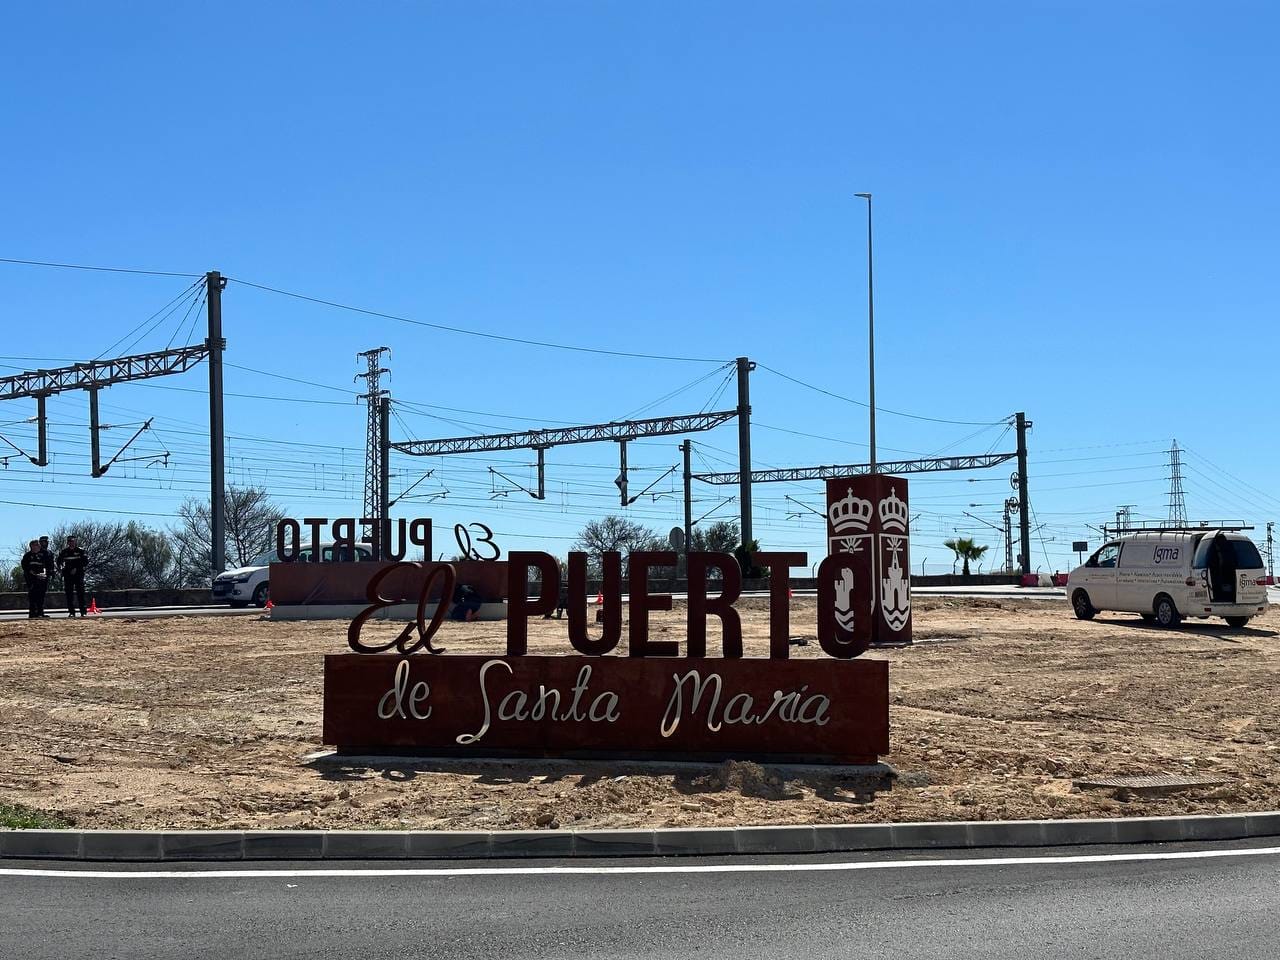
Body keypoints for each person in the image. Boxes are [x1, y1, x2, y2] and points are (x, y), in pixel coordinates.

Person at [57, 535, 89, 618]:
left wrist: (77, 568)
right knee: (69, 594)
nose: (71, 543)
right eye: (70, 541)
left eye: (73, 541)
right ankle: (71, 612)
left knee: (80, 593)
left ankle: (83, 611)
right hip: (68, 575)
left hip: (78, 574)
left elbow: (85, 562)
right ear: (67, 542)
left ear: (75, 542)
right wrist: (61, 568)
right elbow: (59, 562)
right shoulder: (64, 552)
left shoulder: (81, 551)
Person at [21, 539, 50, 619]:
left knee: (41, 596)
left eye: (38, 545)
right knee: (33, 596)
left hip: (42, 578)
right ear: (31, 547)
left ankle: (40, 613)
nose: (37, 547)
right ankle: (32, 613)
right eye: (35, 545)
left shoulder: (44, 554)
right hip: (31, 579)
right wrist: (34, 574)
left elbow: (47, 565)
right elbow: (25, 567)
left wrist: (44, 574)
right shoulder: (27, 556)